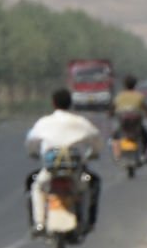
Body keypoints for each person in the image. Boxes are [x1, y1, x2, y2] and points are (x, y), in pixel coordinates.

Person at [24, 87, 103, 233]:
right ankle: (85, 222)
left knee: (37, 187)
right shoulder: (81, 122)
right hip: (75, 172)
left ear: (53, 103)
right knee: (86, 187)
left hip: (50, 171)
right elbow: (97, 139)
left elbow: (31, 142)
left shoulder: (44, 122)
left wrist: (33, 153)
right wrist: (93, 153)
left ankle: (39, 223)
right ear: (70, 103)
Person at [111, 74, 147, 160]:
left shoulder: (120, 96)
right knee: (145, 136)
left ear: (124, 85)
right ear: (135, 84)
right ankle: (144, 154)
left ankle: (117, 154)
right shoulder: (139, 96)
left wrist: (110, 114)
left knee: (115, 136)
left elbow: (112, 109)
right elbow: (146, 109)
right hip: (136, 125)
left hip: (124, 125)